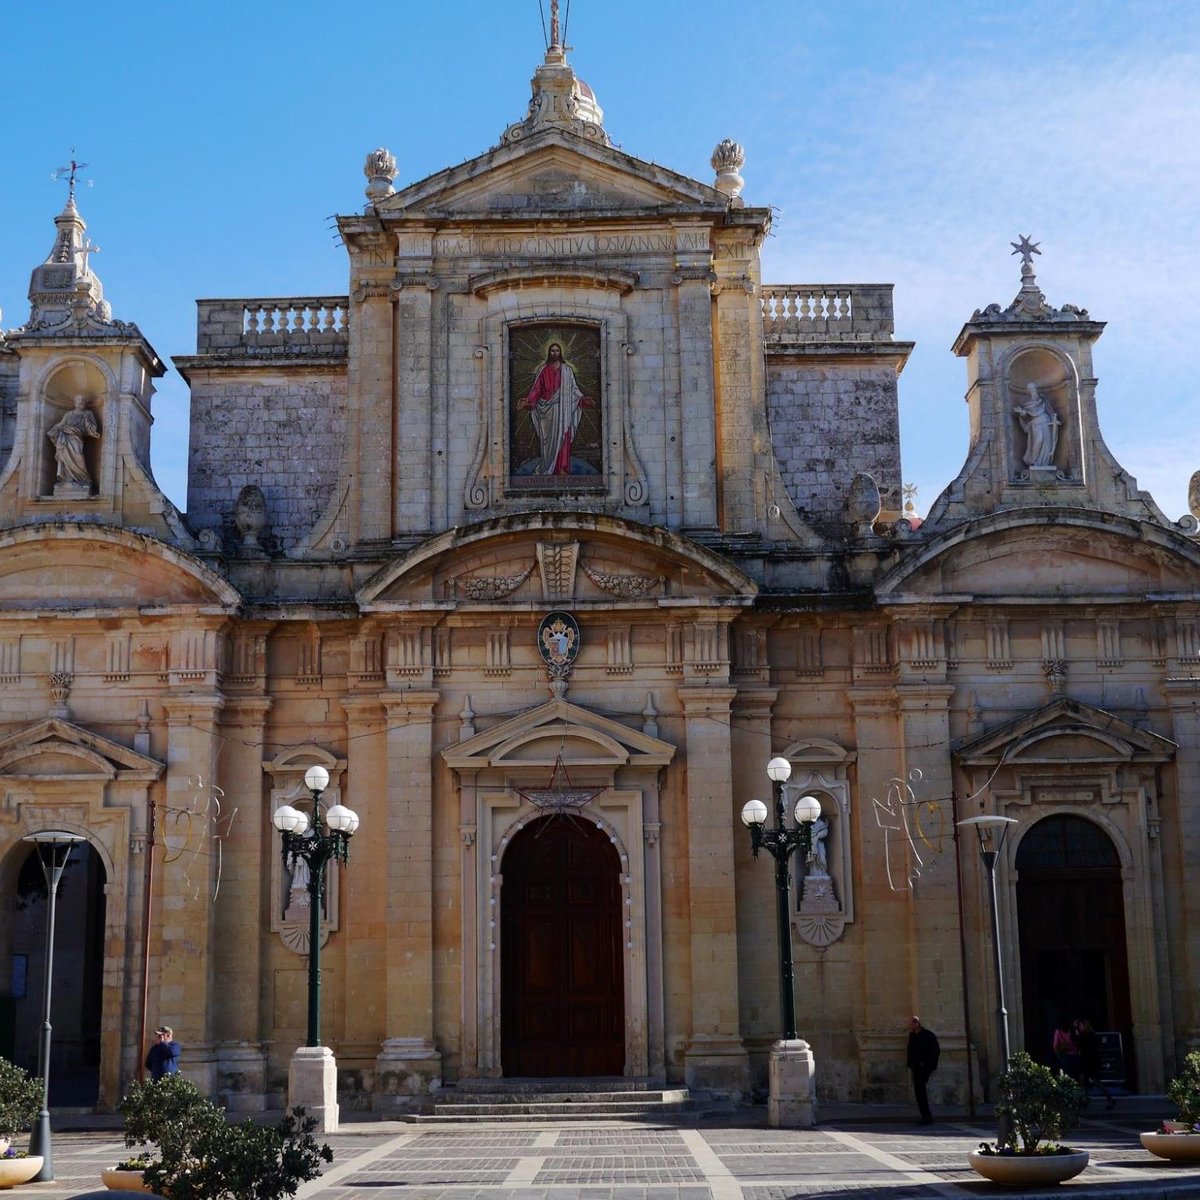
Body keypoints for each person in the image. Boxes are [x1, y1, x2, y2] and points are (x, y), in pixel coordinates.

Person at [520, 342, 592, 475]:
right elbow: (537, 390)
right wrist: (528, 401)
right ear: (549, 353)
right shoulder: (542, 370)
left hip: (563, 408)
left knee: (563, 436)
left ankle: (562, 468)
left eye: (557, 351)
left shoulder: (567, 370)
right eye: (552, 351)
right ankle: (548, 466)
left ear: (560, 353)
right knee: (548, 442)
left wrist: (582, 399)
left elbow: (574, 389)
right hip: (547, 410)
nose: (554, 353)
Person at [46, 394, 101, 486]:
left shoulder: (87, 413)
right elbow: (61, 424)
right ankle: (68, 477)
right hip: (65, 438)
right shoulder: (69, 414)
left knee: (78, 456)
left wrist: (92, 430)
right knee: (65, 457)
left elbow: (90, 426)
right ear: (75, 403)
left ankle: (83, 477)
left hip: (76, 438)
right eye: (79, 401)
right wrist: (53, 430)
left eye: (82, 401)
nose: (81, 403)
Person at [1012, 383, 1061, 468]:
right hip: (1036, 424)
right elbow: (1026, 416)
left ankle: (1044, 462)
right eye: (1031, 390)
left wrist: (1055, 420)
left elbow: (1051, 412)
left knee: (1046, 443)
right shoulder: (1028, 404)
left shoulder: (1044, 401)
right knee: (1039, 441)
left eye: (1034, 390)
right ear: (1029, 392)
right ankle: (1034, 461)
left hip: (1045, 422)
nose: (1034, 392)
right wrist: (1023, 413)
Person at [1074, 1017, 1114, 1109]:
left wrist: (1079, 1036)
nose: (1079, 1027)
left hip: (1090, 1062)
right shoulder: (1087, 1035)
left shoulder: (1088, 1036)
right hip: (1086, 1061)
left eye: (1080, 1025)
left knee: (1096, 1082)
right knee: (1083, 1081)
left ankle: (1109, 1099)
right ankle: (1084, 1100)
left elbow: (1084, 1048)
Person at [906, 1015, 940, 1125]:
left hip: (924, 1068)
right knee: (919, 1091)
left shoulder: (928, 1036)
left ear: (917, 1024)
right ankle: (925, 1115)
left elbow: (935, 1051)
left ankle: (927, 1116)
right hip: (915, 1068)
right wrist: (910, 1064)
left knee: (921, 1091)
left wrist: (927, 1065)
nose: (909, 1026)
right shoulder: (912, 1035)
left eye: (911, 1024)